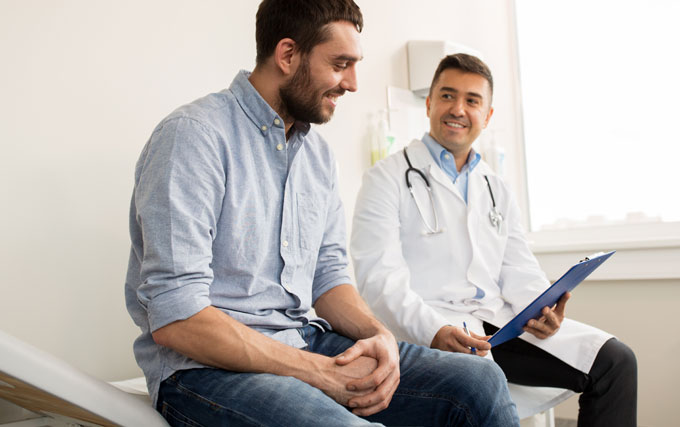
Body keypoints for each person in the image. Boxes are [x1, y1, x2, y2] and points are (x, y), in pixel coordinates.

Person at [124, 2, 520, 426]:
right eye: (340, 64)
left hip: (304, 340)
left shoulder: (316, 155)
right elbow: (176, 318)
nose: (351, 83)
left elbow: (328, 277)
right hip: (203, 371)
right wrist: (317, 373)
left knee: (480, 381)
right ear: (288, 55)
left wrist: (380, 337)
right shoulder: (194, 136)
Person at [351, 53, 637, 427]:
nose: (458, 109)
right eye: (448, 95)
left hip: (498, 326)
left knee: (616, 361)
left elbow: (518, 267)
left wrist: (542, 310)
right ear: (429, 103)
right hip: (430, 329)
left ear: (487, 115)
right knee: (480, 383)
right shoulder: (385, 179)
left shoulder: (495, 186)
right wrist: (434, 330)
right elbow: (379, 280)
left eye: (472, 100)